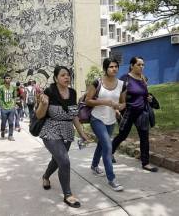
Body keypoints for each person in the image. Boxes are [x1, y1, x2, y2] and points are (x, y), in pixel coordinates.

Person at [36, 66, 89, 208]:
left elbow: (74, 115)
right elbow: (39, 115)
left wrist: (82, 133)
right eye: (63, 75)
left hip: (67, 132)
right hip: (50, 130)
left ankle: (46, 177)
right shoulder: (49, 91)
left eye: (68, 75)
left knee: (57, 159)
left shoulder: (72, 92)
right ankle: (68, 194)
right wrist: (43, 103)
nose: (67, 77)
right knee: (64, 161)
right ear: (55, 78)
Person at [85, 58, 126, 191]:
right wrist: (106, 102)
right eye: (111, 66)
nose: (114, 69)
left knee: (102, 144)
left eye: (116, 66)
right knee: (108, 146)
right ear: (105, 68)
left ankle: (94, 165)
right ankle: (112, 179)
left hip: (111, 120)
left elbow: (123, 103)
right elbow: (88, 101)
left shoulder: (122, 84)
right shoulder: (97, 82)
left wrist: (118, 108)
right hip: (97, 119)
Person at [112, 56, 159, 172]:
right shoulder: (125, 79)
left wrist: (148, 98)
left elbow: (144, 93)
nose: (141, 67)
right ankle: (109, 152)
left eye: (143, 65)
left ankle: (145, 163)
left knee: (144, 137)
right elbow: (117, 95)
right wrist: (117, 109)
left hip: (142, 111)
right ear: (132, 65)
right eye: (139, 64)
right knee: (123, 135)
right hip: (129, 111)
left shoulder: (143, 78)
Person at [0, 73, 17, 141]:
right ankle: (3, 130)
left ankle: (10, 135)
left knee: (11, 122)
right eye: (6, 78)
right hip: (4, 108)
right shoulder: (1, 87)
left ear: (11, 79)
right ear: (4, 79)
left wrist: (14, 105)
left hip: (11, 107)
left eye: (9, 78)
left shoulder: (13, 87)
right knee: (3, 122)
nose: (8, 79)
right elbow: (0, 98)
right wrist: (1, 106)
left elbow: (15, 96)